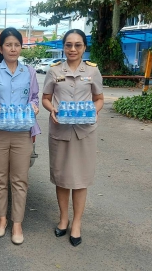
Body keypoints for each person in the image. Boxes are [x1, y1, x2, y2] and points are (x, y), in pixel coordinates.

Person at [41, 29, 104, 247]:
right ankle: (63, 219)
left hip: (84, 132)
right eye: (69, 45)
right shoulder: (54, 70)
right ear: (64, 47)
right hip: (60, 131)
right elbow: (46, 98)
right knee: (62, 177)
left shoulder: (93, 72)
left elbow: (99, 99)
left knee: (80, 179)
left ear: (84, 47)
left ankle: (76, 223)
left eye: (78, 45)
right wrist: (52, 110)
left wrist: (93, 111)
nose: (73, 49)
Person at [0, 27, 41, 245]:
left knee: (20, 179)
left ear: (21, 47)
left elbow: (35, 97)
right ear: (1, 48)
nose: (13, 48)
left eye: (16, 44)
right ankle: (2, 219)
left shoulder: (30, 72)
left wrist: (35, 107)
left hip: (22, 133)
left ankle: (17, 223)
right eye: (8, 44)